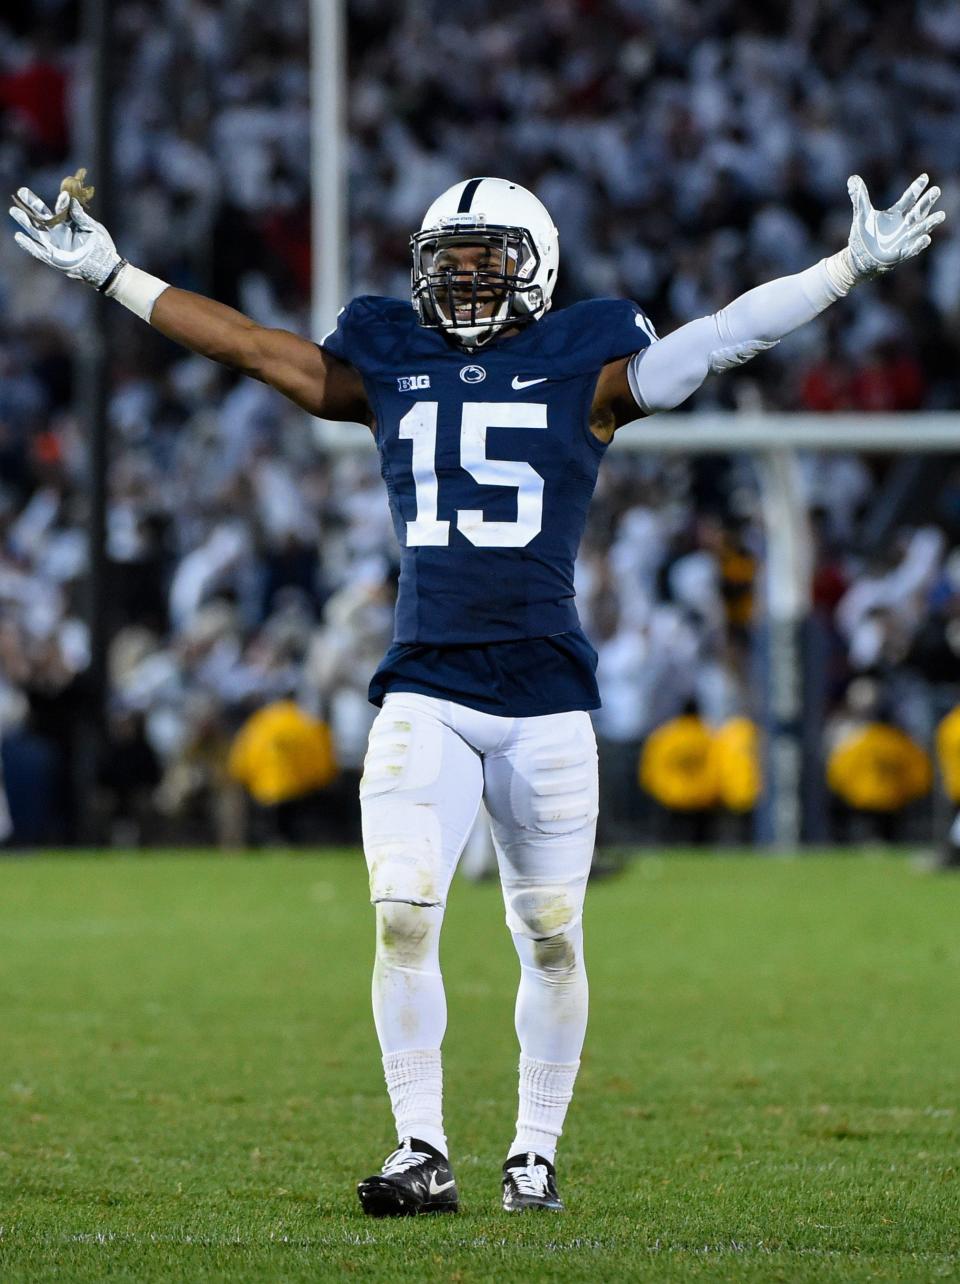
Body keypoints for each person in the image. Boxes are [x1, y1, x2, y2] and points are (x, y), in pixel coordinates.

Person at [10, 169, 944, 1214]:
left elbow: (724, 335)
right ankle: (421, 1145)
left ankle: (532, 1154)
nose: (461, 285)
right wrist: (110, 273)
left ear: (536, 271)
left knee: (549, 932)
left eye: (483, 264)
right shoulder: (387, 356)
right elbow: (248, 346)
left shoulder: (586, 361)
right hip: (427, 685)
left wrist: (848, 267)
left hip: (545, 694)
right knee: (403, 914)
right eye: (446, 266)